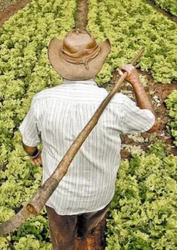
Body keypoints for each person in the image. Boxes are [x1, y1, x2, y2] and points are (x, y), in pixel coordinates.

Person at [19, 29, 157, 250]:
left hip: (59, 198)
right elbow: (152, 124)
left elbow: (28, 141)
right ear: (98, 63)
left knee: (62, 240)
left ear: (60, 63)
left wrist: (34, 154)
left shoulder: (41, 101)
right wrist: (135, 81)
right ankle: (84, 237)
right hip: (98, 195)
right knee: (88, 226)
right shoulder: (117, 103)